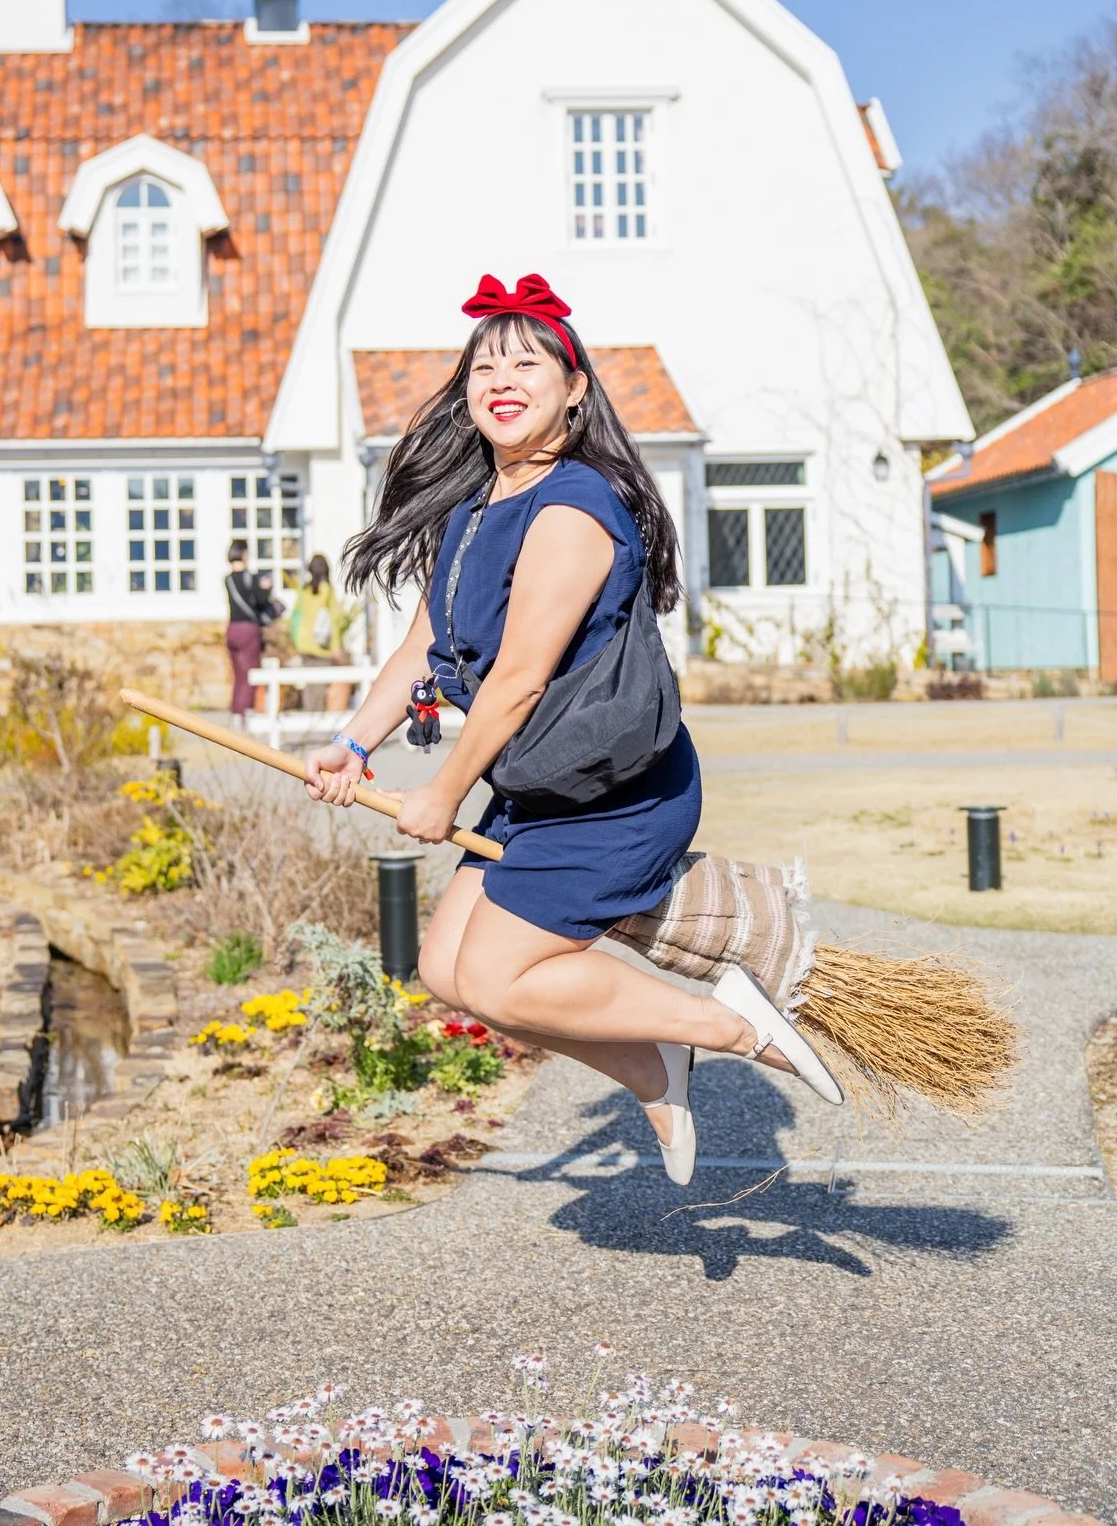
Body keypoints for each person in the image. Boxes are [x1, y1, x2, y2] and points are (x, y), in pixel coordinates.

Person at [305, 272, 842, 1186]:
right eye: (484, 365)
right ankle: (651, 1066)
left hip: (617, 794)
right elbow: (424, 641)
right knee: (447, 969)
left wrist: (440, 791)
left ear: (575, 388)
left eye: (527, 362)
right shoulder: (475, 510)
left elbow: (514, 681)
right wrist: (355, 742)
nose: (500, 379)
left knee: (505, 977)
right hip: (537, 789)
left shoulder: (572, 506)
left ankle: (732, 1024)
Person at [224, 541, 283, 726]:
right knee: (249, 674)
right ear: (243, 554)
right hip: (248, 630)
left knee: (238, 675)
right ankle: (243, 715)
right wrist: (265, 587)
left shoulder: (227, 579)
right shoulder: (250, 578)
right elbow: (260, 599)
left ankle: (235, 713)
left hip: (232, 629)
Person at [288, 553, 356, 711]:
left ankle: (308, 719)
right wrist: (336, 647)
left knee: (309, 686)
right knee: (320, 686)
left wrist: (297, 640)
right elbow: (334, 619)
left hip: (304, 644)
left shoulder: (304, 590)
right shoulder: (327, 590)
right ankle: (315, 724)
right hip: (321, 646)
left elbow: (295, 617)